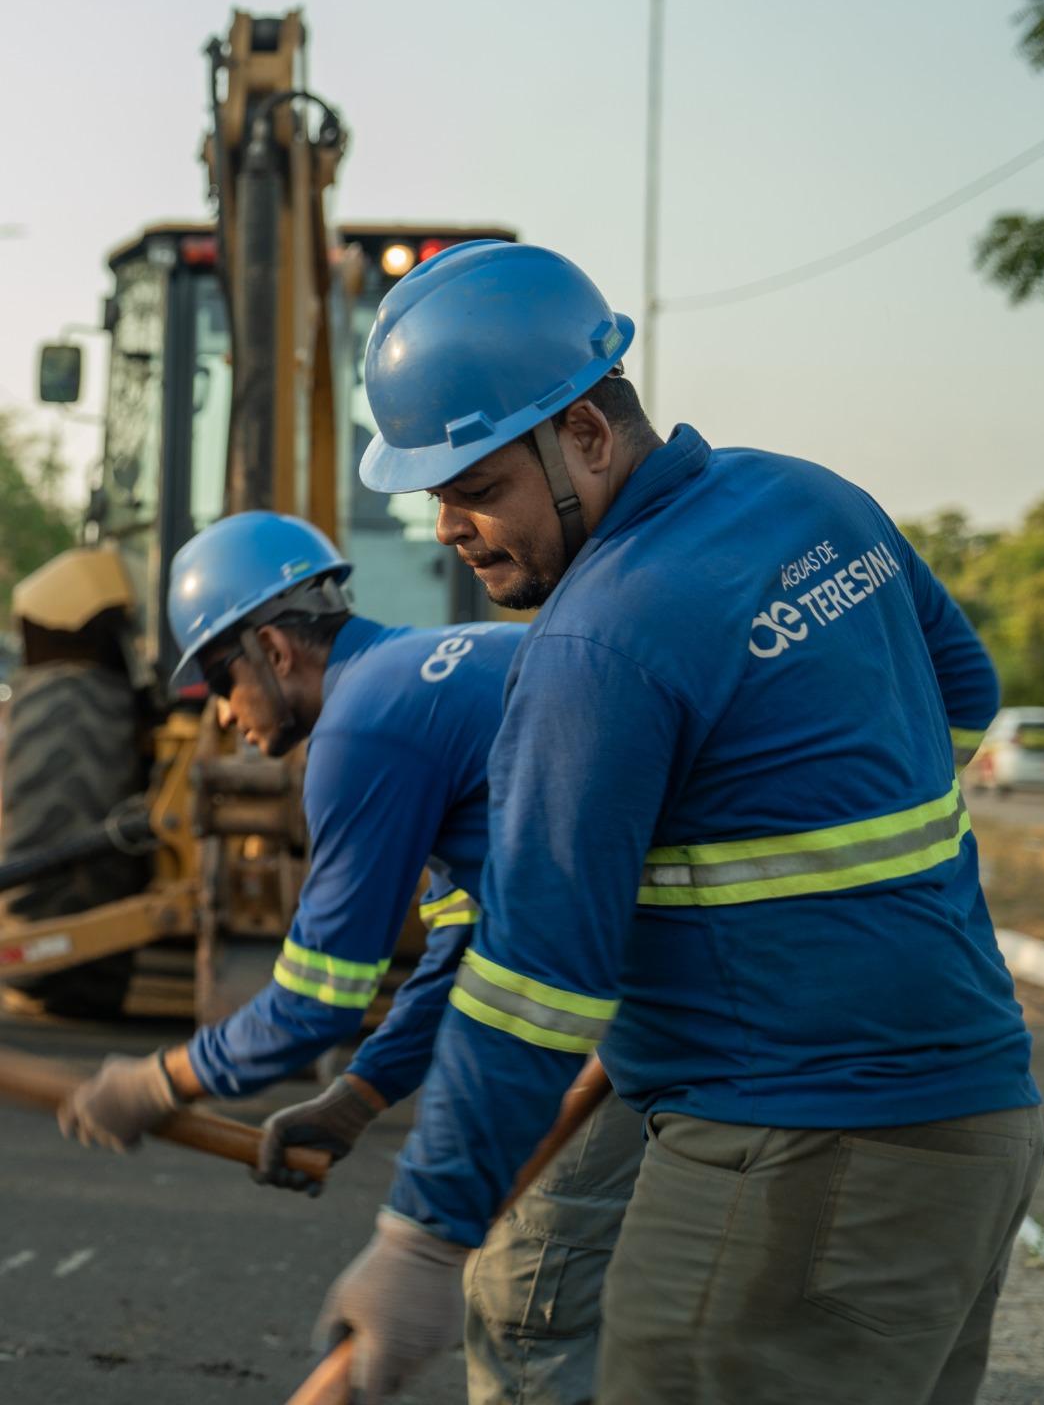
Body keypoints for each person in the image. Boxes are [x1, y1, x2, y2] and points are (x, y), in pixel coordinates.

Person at [313, 239, 1044, 1405]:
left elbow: (531, 984)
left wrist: (422, 1236)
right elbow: (963, 691)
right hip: (970, 1130)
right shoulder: (811, 498)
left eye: (478, 485)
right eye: (434, 494)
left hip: (797, 1153)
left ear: (587, 438)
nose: (450, 524)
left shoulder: (601, 638)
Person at [57, 509, 643, 1405]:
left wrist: (156, 1082)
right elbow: (468, 941)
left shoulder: (364, 728)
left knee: (526, 1295)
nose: (220, 708)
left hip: (639, 1010)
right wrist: (360, 1096)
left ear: (274, 651)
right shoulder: (431, 672)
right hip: (667, 988)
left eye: (219, 675)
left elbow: (312, 1007)